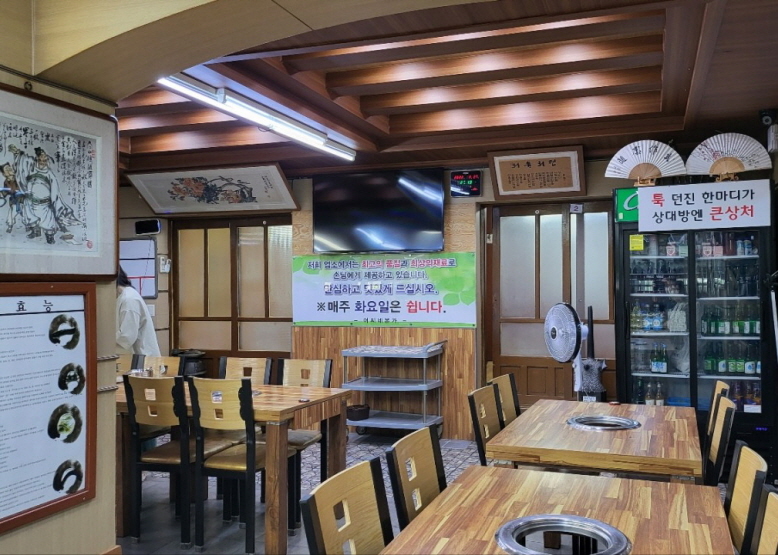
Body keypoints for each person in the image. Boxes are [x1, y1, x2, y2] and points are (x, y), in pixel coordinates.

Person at [116, 266, 161, 355]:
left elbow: (127, 337)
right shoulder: (123, 296)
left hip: (144, 358)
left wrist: (103, 339)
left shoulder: (129, 299)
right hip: (135, 357)